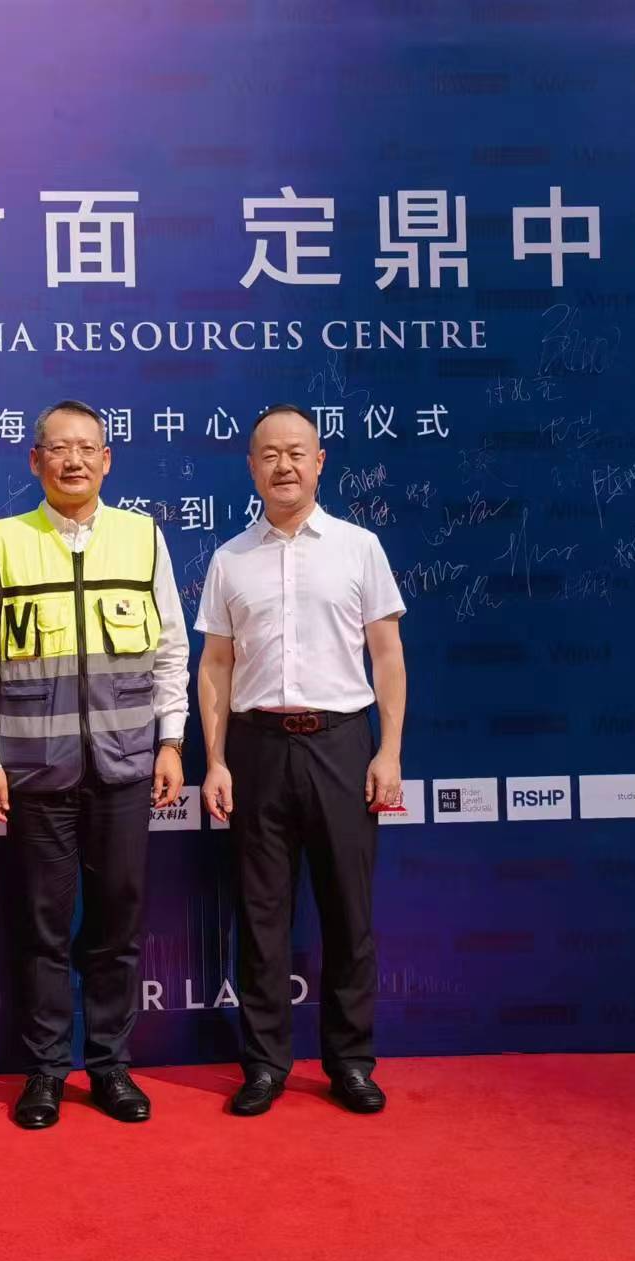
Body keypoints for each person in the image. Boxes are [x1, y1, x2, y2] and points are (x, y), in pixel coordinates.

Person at [0, 399, 190, 1129]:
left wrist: (172, 740)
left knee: (117, 925)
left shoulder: (143, 538)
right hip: (35, 772)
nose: (74, 460)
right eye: (59, 448)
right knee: (43, 929)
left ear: (107, 460)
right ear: (36, 461)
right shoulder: (3, 542)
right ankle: (46, 1071)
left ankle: (111, 1066)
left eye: (87, 447)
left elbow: (171, 650)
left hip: (125, 769)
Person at [195, 404, 407, 1117]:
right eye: (269, 455)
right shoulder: (230, 558)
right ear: (251, 468)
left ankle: (351, 1063)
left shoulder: (359, 547)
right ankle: (263, 1065)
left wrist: (389, 751)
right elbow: (215, 665)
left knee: (349, 910)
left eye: (296, 453)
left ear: (320, 462)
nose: (283, 466)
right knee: (260, 915)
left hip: (342, 743)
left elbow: (387, 656)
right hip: (255, 748)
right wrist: (215, 759)